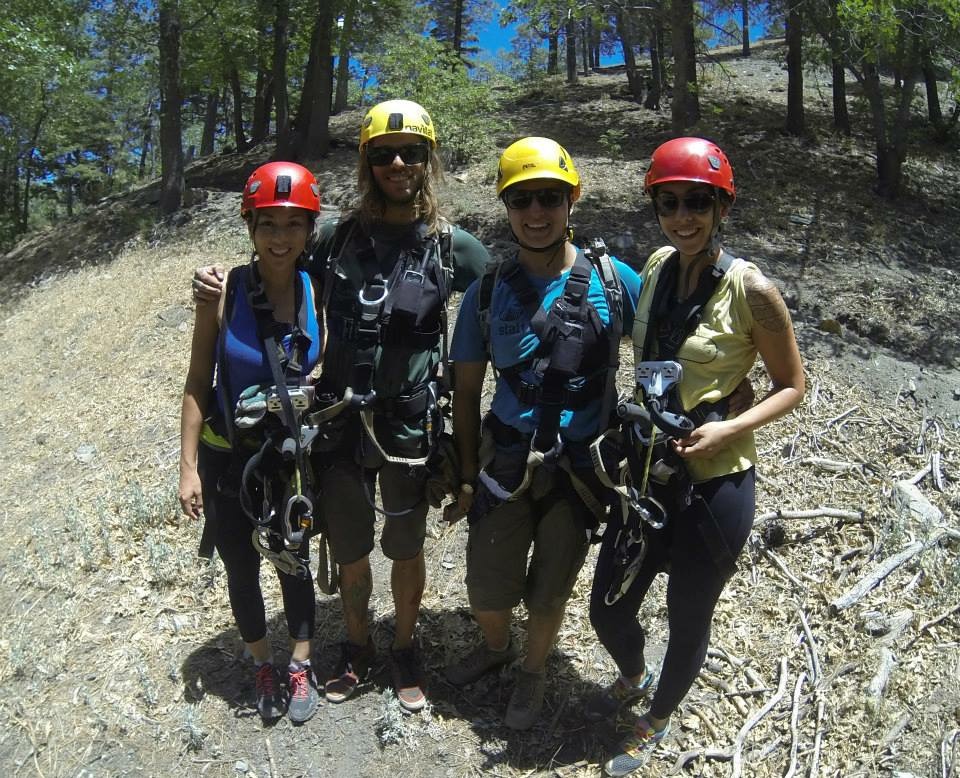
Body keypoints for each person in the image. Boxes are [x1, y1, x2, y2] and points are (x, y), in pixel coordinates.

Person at [192, 99, 490, 713]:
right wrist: (209, 283)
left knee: (405, 548)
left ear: (429, 160)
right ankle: (359, 647)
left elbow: (512, 300)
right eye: (383, 154)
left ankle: (404, 649)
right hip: (338, 428)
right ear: (366, 163)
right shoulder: (333, 239)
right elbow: (274, 265)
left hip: (410, 428)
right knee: (351, 549)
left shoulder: (453, 248)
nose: (398, 163)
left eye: (411, 153)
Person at [587, 137, 805, 776]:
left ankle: (657, 715)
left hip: (716, 483)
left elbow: (793, 385)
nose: (683, 217)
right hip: (647, 470)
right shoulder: (655, 266)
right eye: (670, 202)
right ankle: (634, 673)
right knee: (608, 606)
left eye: (697, 203)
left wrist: (729, 425)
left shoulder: (751, 290)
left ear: (721, 207)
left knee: (688, 611)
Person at [443, 137, 642, 730]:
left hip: (580, 468)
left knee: (551, 589)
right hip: (504, 459)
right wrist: (463, 471)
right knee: (487, 586)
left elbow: (670, 351)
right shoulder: (485, 296)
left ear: (571, 199)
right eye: (522, 199)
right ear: (506, 206)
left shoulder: (617, 282)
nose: (536, 212)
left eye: (549, 198)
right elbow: (465, 390)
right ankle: (498, 645)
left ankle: (532, 671)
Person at [178, 161, 325, 724]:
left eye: (293, 223)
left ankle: (300, 662)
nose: (280, 237)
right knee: (240, 565)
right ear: (250, 227)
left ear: (310, 229)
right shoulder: (223, 292)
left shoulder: (319, 292)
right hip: (227, 457)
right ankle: (263, 659)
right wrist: (187, 467)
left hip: (288, 461)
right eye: (268, 223)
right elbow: (197, 381)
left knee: (296, 563)